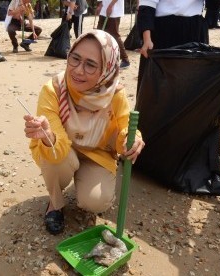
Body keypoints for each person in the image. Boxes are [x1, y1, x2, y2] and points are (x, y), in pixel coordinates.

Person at [22, 30, 145, 235]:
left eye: (90, 64)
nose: (78, 71)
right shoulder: (54, 90)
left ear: (106, 69)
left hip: (97, 155)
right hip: (64, 152)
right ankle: (55, 204)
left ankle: (84, 180)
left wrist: (132, 140)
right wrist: (47, 137)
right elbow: (56, 147)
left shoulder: (114, 94)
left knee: (96, 203)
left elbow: (124, 130)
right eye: (75, 59)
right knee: (53, 155)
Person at [137, 0, 209, 59]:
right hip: (164, 31)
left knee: (193, 73)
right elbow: (147, 4)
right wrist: (147, 39)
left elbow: (214, 5)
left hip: (195, 29)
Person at [95, 0, 130, 69]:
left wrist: (111, 6)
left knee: (114, 35)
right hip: (104, 9)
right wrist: (100, 5)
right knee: (99, 34)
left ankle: (125, 60)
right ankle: (102, 58)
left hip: (114, 11)